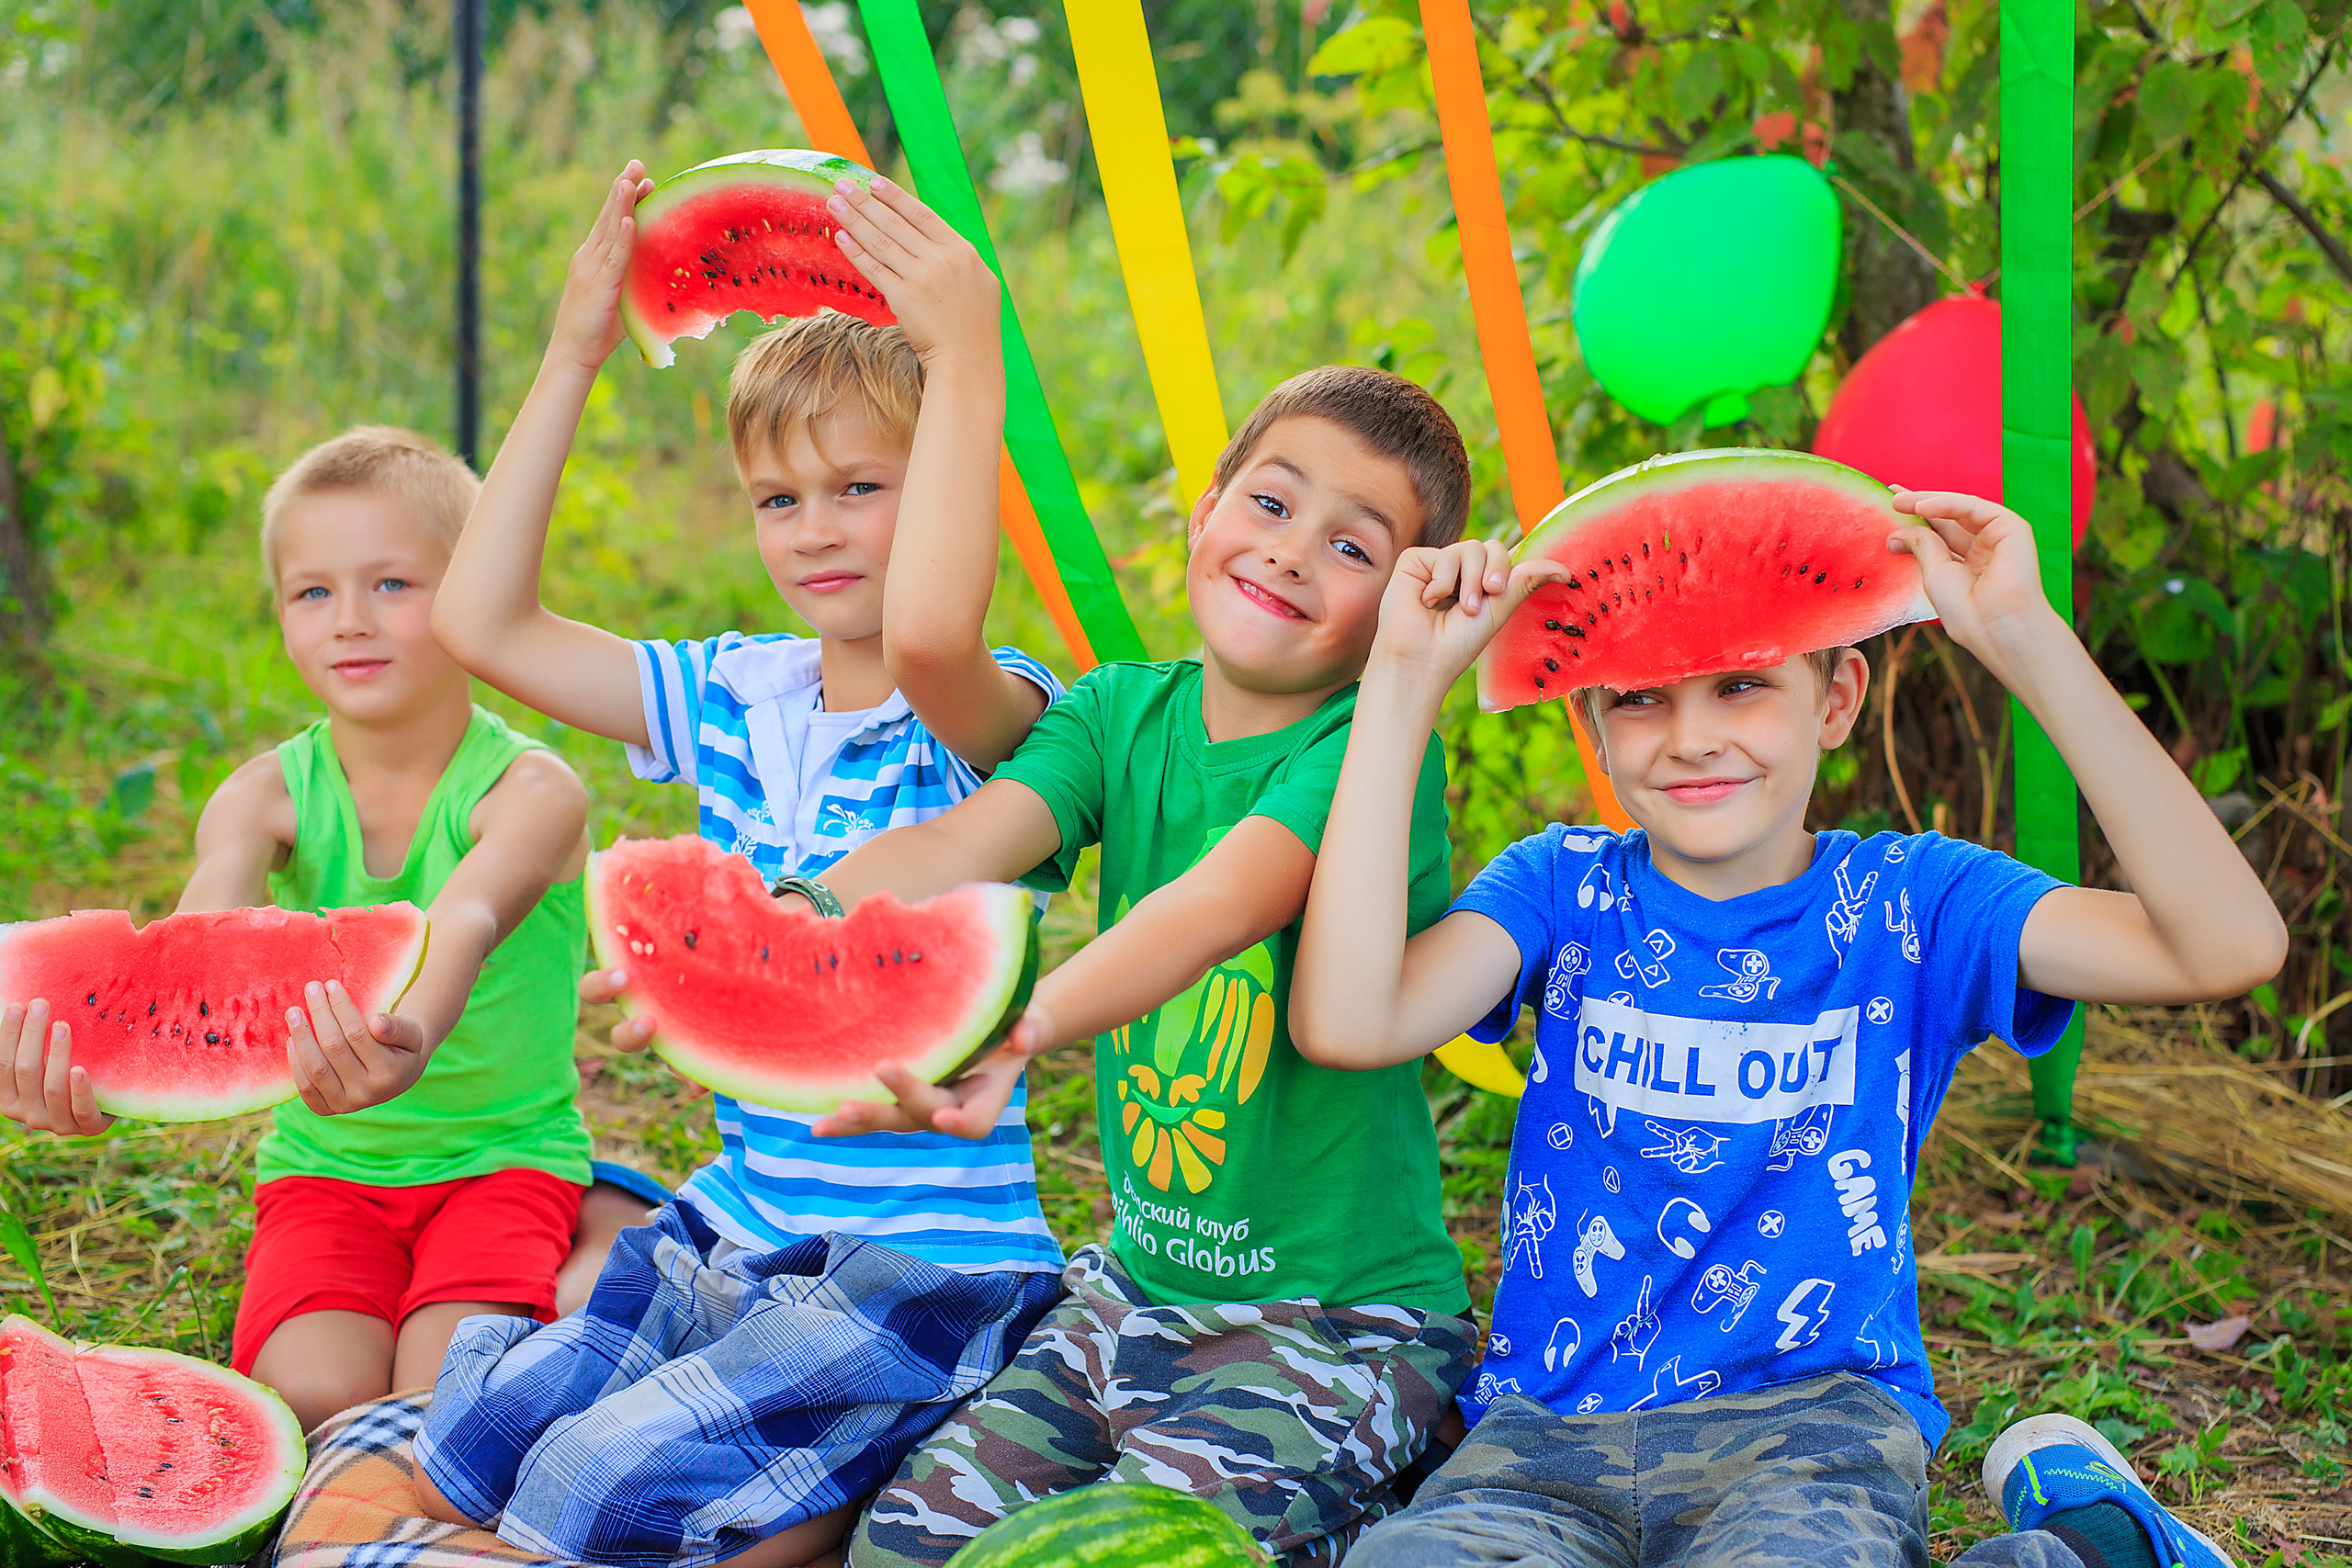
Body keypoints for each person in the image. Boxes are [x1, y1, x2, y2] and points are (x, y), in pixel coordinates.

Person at [1287, 488, 2282, 1567]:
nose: (1692, 738)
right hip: (1540, 1443)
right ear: (1590, 726)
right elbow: (1349, 1021)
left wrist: (2022, 636)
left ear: (1836, 698)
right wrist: (1402, 679)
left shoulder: (1913, 903)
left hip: (1807, 1439)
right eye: (1639, 698)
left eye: (1742, 683)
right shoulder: (1556, 888)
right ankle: (2089, 1552)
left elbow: (2222, 947)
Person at [413, 163, 1067, 1568]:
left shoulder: (995, 714)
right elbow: (482, 623)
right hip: (740, 1220)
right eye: (778, 498)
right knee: (470, 1440)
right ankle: (806, 1465)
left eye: (860, 487)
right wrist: (573, 351)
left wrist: (967, 356)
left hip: (921, 1262)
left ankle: (890, 1472)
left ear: (949, 489)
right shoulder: (731, 693)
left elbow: (934, 633)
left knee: (596, 1494)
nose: (813, 528)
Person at [798, 363, 1488, 1568]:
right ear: (1204, 511)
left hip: (1336, 1319)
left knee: (1154, 1553)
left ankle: (1380, 1486)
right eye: (1270, 504)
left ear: (1402, 605)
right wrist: (795, 915)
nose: (1290, 553)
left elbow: (1215, 906)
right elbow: (965, 841)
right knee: (904, 1547)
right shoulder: (1117, 714)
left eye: (1352, 547)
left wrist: (1020, 1032)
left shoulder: (1367, 752)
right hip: (1132, 1290)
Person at [0, 425, 607, 1436]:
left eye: (393, 584)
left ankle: (601, 1227)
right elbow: (185, 962)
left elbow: (462, 918)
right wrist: (100, 1073)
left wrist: (406, 1039)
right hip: (323, 1177)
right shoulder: (261, 797)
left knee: (448, 1394)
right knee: (318, 1397)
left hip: (505, 1163)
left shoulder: (533, 791)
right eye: (312, 592)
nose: (350, 621)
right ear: (280, 613)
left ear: (470, 596)